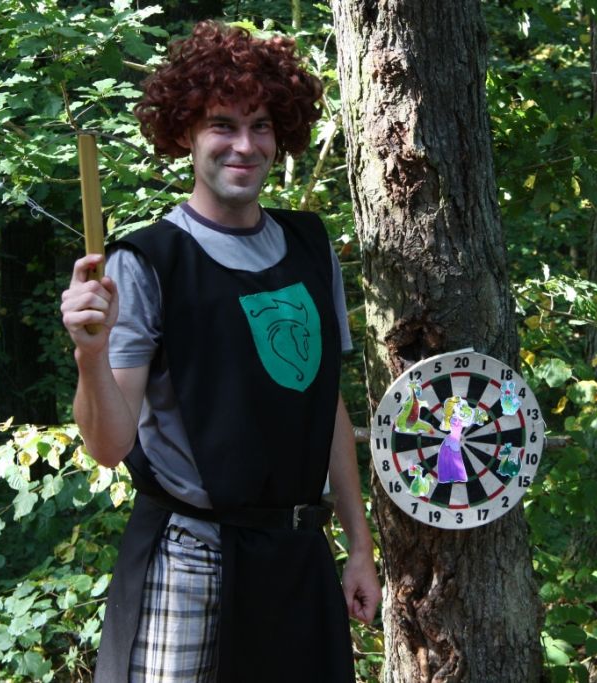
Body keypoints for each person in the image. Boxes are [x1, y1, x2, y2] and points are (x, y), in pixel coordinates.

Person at [60, 21, 380, 682]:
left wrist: (359, 546)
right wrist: (91, 356)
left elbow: (325, 409)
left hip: (296, 556)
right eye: (222, 125)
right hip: (190, 557)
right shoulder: (148, 263)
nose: (244, 145)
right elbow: (108, 446)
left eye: (260, 125)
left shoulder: (310, 246)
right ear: (185, 132)